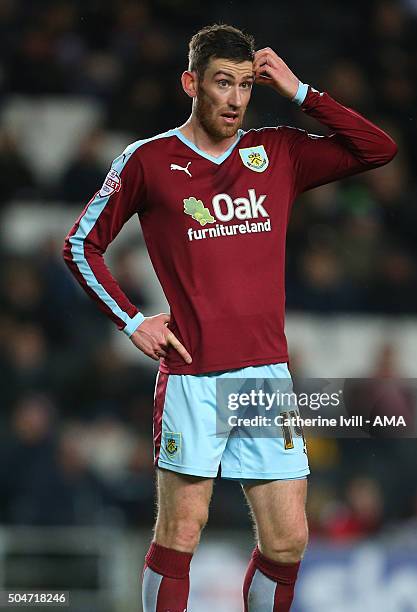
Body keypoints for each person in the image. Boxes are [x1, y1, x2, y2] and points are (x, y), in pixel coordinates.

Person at [63, 23, 397, 612]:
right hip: (194, 376)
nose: (238, 99)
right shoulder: (150, 160)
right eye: (224, 83)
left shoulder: (278, 152)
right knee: (180, 537)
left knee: (289, 542)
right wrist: (132, 319)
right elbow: (80, 244)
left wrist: (299, 91)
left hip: (265, 379)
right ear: (191, 83)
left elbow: (377, 148)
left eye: (247, 85)